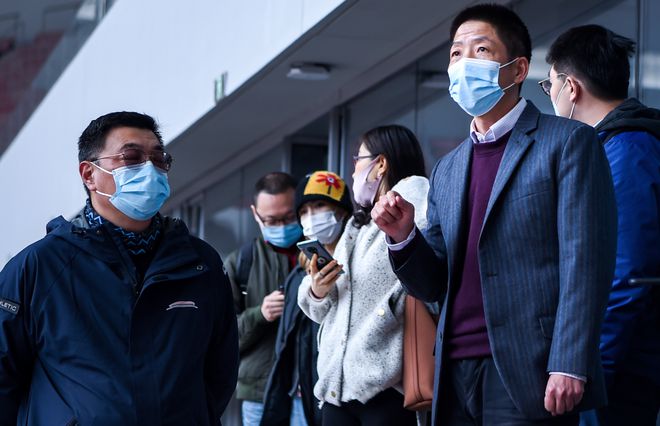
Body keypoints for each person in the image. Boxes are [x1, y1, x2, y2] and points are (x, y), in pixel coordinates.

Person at [371, 4, 618, 425]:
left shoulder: (568, 142)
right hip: (453, 372)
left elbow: (586, 260)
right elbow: (433, 284)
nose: (464, 63)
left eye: (480, 50)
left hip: (530, 368)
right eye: (456, 53)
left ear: (518, 69)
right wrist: (403, 236)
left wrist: (570, 362)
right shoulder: (448, 168)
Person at [0, 111, 239, 425]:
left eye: (158, 159)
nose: (150, 169)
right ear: (89, 174)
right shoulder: (39, 266)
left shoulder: (200, 263)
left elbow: (220, 369)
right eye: (132, 158)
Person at [543, 24, 660, 425]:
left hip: (620, 367)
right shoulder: (614, 146)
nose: (551, 95)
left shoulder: (625, 150)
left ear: (571, 88)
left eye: (550, 84)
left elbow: (628, 272)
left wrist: (590, 365)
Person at [298, 125, 429, 426]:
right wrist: (317, 290)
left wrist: (386, 312)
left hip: (385, 385)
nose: (354, 170)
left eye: (358, 159)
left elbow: (419, 273)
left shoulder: (414, 201)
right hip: (338, 387)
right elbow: (328, 305)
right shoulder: (360, 223)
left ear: (380, 164)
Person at [261, 170, 354, 426]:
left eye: (320, 205)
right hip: (303, 395)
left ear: (341, 211)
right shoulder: (299, 276)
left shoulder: (358, 259)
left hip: (348, 395)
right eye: (303, 211)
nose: (311, 217)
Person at [223, 172, 303, 426]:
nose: (281, 226)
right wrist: (260, 314)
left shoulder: (319, 253)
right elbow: (223, 337)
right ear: (255, 214)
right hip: (260, 393)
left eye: (289, 217)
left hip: (307, 389)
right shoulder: (241, 262)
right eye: (271, 220)